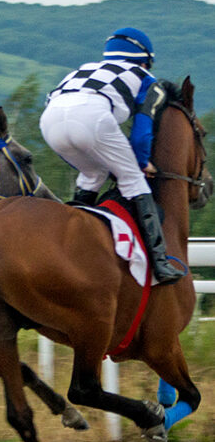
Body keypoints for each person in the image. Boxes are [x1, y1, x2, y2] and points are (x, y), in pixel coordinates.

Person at [40, 27, 185, 284]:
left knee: (92, 173)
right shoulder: (146, 78)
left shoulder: (82, 69)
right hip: (92, 117)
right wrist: (141, 163)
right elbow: (141, 131)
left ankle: (73, 244)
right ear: (145, 59)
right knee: (133, 180)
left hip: (50, 122)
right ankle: (161, 264)